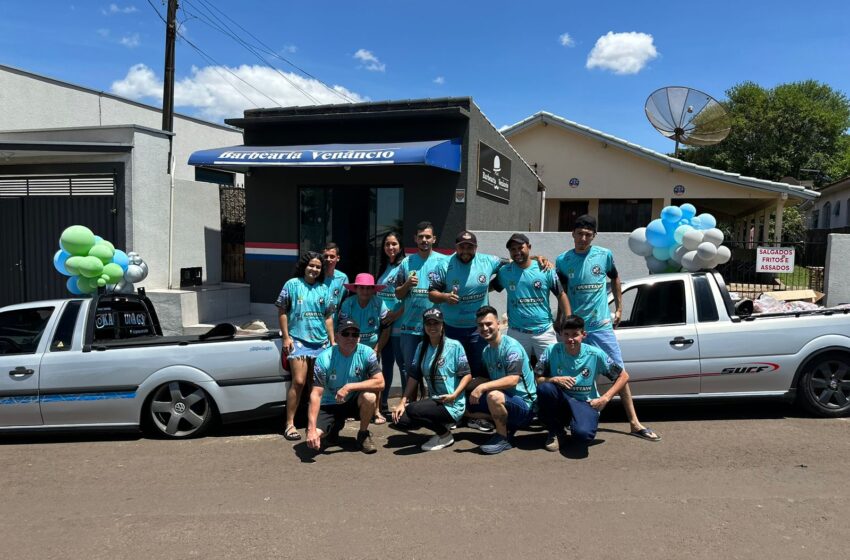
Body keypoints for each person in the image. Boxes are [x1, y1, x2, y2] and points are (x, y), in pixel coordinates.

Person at [555, 214, 661, 442]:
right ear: (572, 234)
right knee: (568, 375)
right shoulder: (563, 260)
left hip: (601, 326)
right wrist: (560, 317)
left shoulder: (604, 255)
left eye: (588, 234)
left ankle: (634, 422)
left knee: (619, 373)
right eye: (579, 233)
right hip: (575, 329)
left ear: (594, 236)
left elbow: (615, 278)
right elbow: (562, 291)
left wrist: (620, 308)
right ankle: (566, 421)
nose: (583, 238)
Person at [534, 315, 630, 452]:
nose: (570, 339)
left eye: (575, 335)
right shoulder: (552, 350)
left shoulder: (595, 354)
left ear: (583, 335)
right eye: (566, 334)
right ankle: (556, 431)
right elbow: (537, 378)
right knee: (545, 389)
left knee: (582, 436)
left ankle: (576, 424)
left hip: (584, 401)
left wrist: (605, 398)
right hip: (562, 398)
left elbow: (623, 376)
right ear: (561, 334)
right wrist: (554, 379)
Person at [427, 230, 506, 378]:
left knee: (479, 369)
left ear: (476, 247)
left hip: (479, 328)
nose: (465, 251)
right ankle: (456, 400)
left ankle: (477, 400)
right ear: (456, 247)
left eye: (470, 247)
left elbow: (514, 262)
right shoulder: (444, 264)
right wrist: (445, 297)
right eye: (462, 247)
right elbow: (432, 294)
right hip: (452, 328)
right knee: (454, 369)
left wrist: (535, 258)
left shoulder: (488, 261)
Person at [391, 308, 472, 451]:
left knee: (414, 409)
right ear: (424, 326)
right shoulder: (422, 347)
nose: (432, 327)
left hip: (452, 403)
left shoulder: (454, 346)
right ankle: (441, 424)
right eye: (429, 323)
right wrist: (402, 402)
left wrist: (454, 395)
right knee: (401, 420)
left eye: (436, 323)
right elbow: (414, 376)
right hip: (435, 400)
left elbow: (467, 375)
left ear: (442, 325)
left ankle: (445, 435)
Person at [277, 251, 335, 441]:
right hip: (298, 341)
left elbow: (328, 317)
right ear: (304, 266)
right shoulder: (292, 285)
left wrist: (332, 341)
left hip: (320, 343)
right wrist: (286, 337)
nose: (315, 269)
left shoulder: (323, 289)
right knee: (299, 382)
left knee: (316, 386)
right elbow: (282, 311)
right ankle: (290, 424)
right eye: (311, 265)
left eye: (318, 267)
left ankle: (315, 424)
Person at [306, 318, 385, 454]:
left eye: (354, 334)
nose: (350, 338)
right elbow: (316, 394)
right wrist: (311, 429)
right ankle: (333, 429)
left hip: (353, 401)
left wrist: (349, 387)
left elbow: (380, 382)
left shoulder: (367, 353)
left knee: (370, 397)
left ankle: (363, 434)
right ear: (336, 336)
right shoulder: (324, 358)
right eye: (345, 334)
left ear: (359, 338)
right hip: (329, 404)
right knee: (313, 439)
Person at [466, 306, 537, 455]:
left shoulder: (511, 347)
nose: (485, 328)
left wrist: (481, 387)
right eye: (480, 325)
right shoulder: (487, 351)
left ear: (498, 324)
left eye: (489, 324)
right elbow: (486, 378)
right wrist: (459, 389)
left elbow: (512, 380)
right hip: (507, 399)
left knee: (493, 395)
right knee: (464, 404)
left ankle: (503, 438)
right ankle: (504, 425)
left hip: (525, 406)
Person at [493, 233, 571, 364]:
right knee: (517, 373)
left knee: (554, 368)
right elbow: (490, 287)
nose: (517, 252)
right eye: (513, 249)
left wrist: (569, 320)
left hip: (544, 331)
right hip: (517, 333)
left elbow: (561, 295)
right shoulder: (505, 272)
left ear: (529, 247)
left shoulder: (545, 269)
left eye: (520, 247)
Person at [394, 221, 447, 378]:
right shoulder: (406, 262)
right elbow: (398, 294)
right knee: (410, 371)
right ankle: (409, 402)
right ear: (415, 239)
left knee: (436, 369)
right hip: (410, 328)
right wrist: (407, 285)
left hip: (435, 327)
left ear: (434, 239)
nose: (424, 240)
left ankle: (433, 402)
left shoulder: (444, 261)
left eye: (428, 237)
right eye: (421, 237)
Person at [338, 273, 390, 423]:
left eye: (368, 288)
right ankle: (348, 409)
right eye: (362, 288)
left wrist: (377, 348)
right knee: (348, 376)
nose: (365, 291)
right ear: (356, 288)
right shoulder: (348, 303)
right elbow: (342, 327)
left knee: (375, 379)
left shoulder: (379, 303)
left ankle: (376, 411)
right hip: (351, 347)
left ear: (373, 289)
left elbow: (386, 328)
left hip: (372, 347)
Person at [376, 231, 406, 415]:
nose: (390, 247)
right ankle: (383, 404)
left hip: (399, 324)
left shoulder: (405, 265)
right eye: (387, 244)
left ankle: (406, 404)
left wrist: (394, 315)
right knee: (386, 365)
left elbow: (408, 298)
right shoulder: (384, 266)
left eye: (394, 244)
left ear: (400, 246)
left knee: (403, 366)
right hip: (383, 325)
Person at [322, 242, 350, 320]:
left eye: (332, 256)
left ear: (338, 258)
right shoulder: (316, 276)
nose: (328, 259)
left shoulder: (343, 278)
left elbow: (344, 304)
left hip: (334, 325)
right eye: (326, 256)